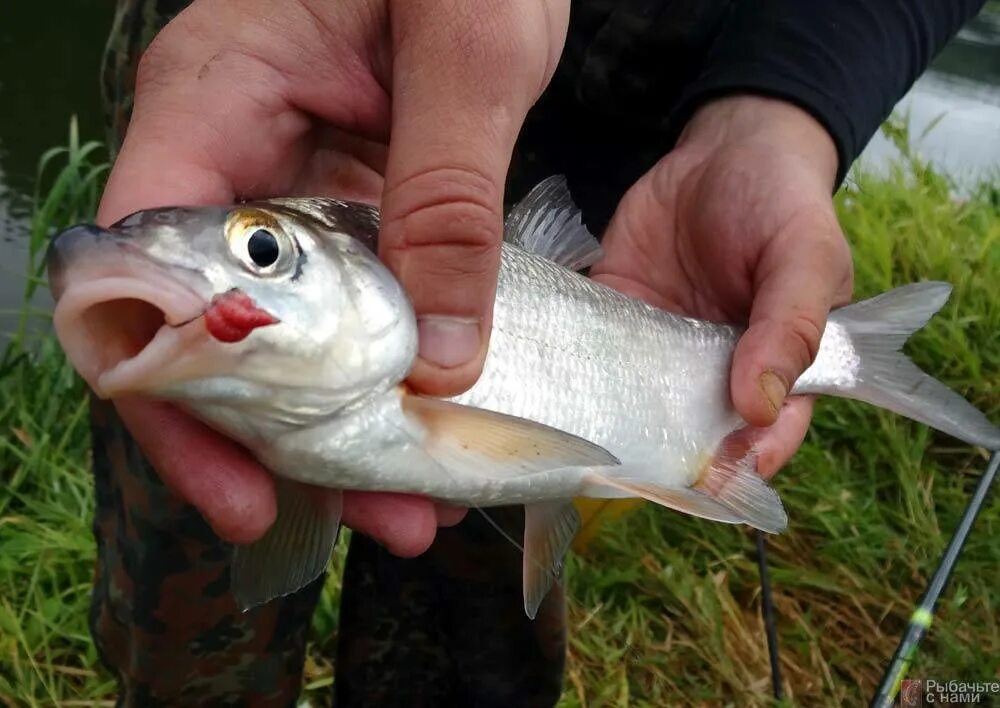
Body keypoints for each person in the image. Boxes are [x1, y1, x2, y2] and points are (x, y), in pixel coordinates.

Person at [91, 0, 985, 705]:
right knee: (190, 624)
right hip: (287, 87)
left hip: (641, 171)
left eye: (261, 256)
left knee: (478, 655)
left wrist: (782, 109)